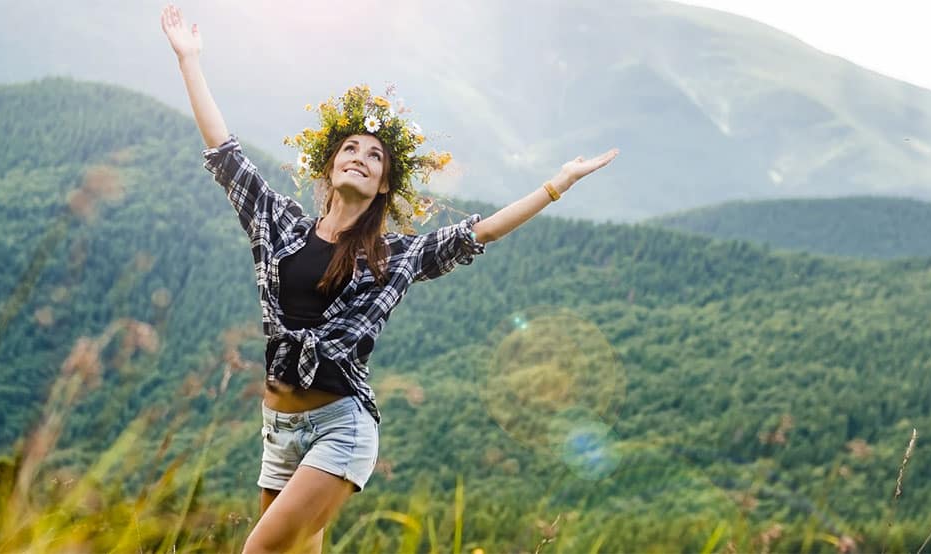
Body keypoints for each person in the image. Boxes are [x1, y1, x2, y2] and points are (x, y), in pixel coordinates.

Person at [161, 4, 618, 553]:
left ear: (382, 185)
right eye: (349, 149)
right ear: (330, 166)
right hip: (277, 433)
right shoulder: (278, 224)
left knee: (257, 551)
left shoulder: (393, 257)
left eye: (374, 156)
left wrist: (555, 186)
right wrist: (190, 60)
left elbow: (481, 233)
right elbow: (224, 153)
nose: (359, 158)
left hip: (340, 427)